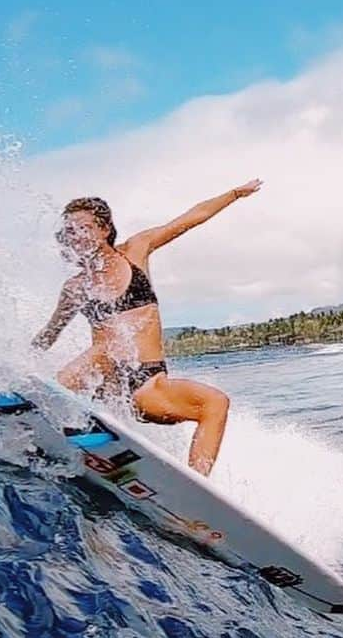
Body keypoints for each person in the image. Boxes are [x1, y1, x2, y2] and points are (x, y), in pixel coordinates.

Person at [32, 181, 262, 477]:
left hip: (147, 385)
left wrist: (233, 195)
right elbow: (49, 334)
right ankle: (47, 401)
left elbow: (190, 219)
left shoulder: (136, 250)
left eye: (84, 227)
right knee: (109, 347)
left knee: (215, 402)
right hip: (108, 383)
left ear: (104, 230)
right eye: (71, 231)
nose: (77, 236)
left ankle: (197, 485)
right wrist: (17, 362)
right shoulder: (75, 287)